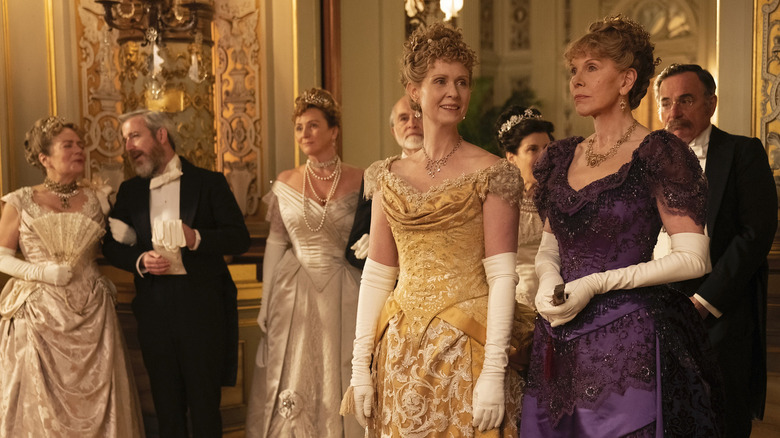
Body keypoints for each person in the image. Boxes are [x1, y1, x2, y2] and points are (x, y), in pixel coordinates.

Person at [521, 16, 724, 436]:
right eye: (574, 70)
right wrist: (546, 280)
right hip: (557, 338)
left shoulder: (658, 153)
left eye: (592, 68)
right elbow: (549, 246)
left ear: (627, 79)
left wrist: (596, 284)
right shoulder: (560, 158)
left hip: (629, 339)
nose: (577, 79)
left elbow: (693, 258)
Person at [341, 22, 535, 436]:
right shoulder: (386, 175)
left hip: (468, 348)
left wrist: (494, 373)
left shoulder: (493, 172)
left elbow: (503, 277)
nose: (454, 92)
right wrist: (360, 368)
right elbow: (377, 275)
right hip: (398, 350)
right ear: (414, 91)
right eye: (440, 81)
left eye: (462, 82)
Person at [102, 109, 250, 437]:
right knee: (166, 411)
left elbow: (239, 237)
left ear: (161, 136)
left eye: (134, 136)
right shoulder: (130, 192)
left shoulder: (208, 182)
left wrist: (195, 237)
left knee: (205, 410)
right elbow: (110, 245)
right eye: (125, 139)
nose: (128, 146)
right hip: (155, 311)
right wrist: (140, 260)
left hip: (202, 311)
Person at [654, 63, 777, 438]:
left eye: (686, 100)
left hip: (719, 313)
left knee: (720, 419)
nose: (674, 112)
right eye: (666, 102)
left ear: (711, 103)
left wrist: (704, 302)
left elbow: (755, 234)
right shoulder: (648, 161)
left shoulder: (742, 152)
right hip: (656, 307)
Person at [0, 116, 144, 436]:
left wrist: (131, 236)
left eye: (80, 144)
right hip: (40, 315)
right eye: (69, 145)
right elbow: (2, 257)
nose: (80, 150)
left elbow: (117, 243)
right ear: (44, 158)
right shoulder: (20, 200)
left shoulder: (97, 198)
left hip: (92, 313)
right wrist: (40, 272)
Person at [246, 87, 364, 437]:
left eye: (313, 125)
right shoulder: (286, 181)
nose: (304, 134)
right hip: (293, 289)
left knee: (337, 366)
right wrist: (266, 301)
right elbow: (275, 244)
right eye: (299, 127)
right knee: (294, 367)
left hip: (344, 290)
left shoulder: (361, 179)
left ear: (334, 131)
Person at [345, 94, 424, 268]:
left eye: (419, 116)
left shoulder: (451, 172)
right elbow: (353, 250)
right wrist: (375, 248)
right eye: (404, 118)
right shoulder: (378, 175)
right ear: (393, 129)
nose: (412, 123)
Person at [495, 106, 554, 309]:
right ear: (511, 157)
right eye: (533, 149)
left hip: (554, 297)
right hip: (511, 301)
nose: (544, 155)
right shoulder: (498, 200)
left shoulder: (561, 197)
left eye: (547, 147)